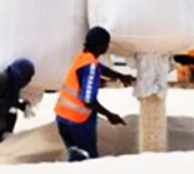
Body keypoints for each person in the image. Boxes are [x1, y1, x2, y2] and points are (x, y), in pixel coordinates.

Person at [54, 27, 135, 162]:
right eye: (107, 43)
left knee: (75, 159)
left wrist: (120, 76)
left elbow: (99, 68)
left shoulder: (82, 57)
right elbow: (88, 100)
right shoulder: (90, 66)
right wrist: (110, 116)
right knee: (88, 163)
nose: (108, 46)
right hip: (77, 123)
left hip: (62, 118)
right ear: (101, 45)